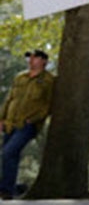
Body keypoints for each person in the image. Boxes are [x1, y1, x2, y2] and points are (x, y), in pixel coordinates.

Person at [0, 49, 55, 198]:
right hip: (10, 123)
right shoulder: (20, 77)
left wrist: (35, 119)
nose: (31, 60)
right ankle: (12, 190)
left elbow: (49, 105)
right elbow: (9, 99)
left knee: (8, 152)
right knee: (10, 156)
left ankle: (7, 189)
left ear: (44, 61)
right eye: (29, 57)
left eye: (35, 57)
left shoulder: (49, 80)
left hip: (27, 125)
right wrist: (2, 118)